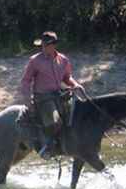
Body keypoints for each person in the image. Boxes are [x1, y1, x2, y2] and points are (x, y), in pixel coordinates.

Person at [19, 31, 85, 159]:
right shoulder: (35, 61)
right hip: (43, 97)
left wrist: (75, 84)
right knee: (55, 121)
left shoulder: (63, 60)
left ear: (54, 45)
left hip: (60, 94)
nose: (44, 47)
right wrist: (28, 99)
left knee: (78, 114)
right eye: (43, 45)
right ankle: (48, 146)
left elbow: (67, 77)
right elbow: (26, 81)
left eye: (47, 45)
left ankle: (73, 144)